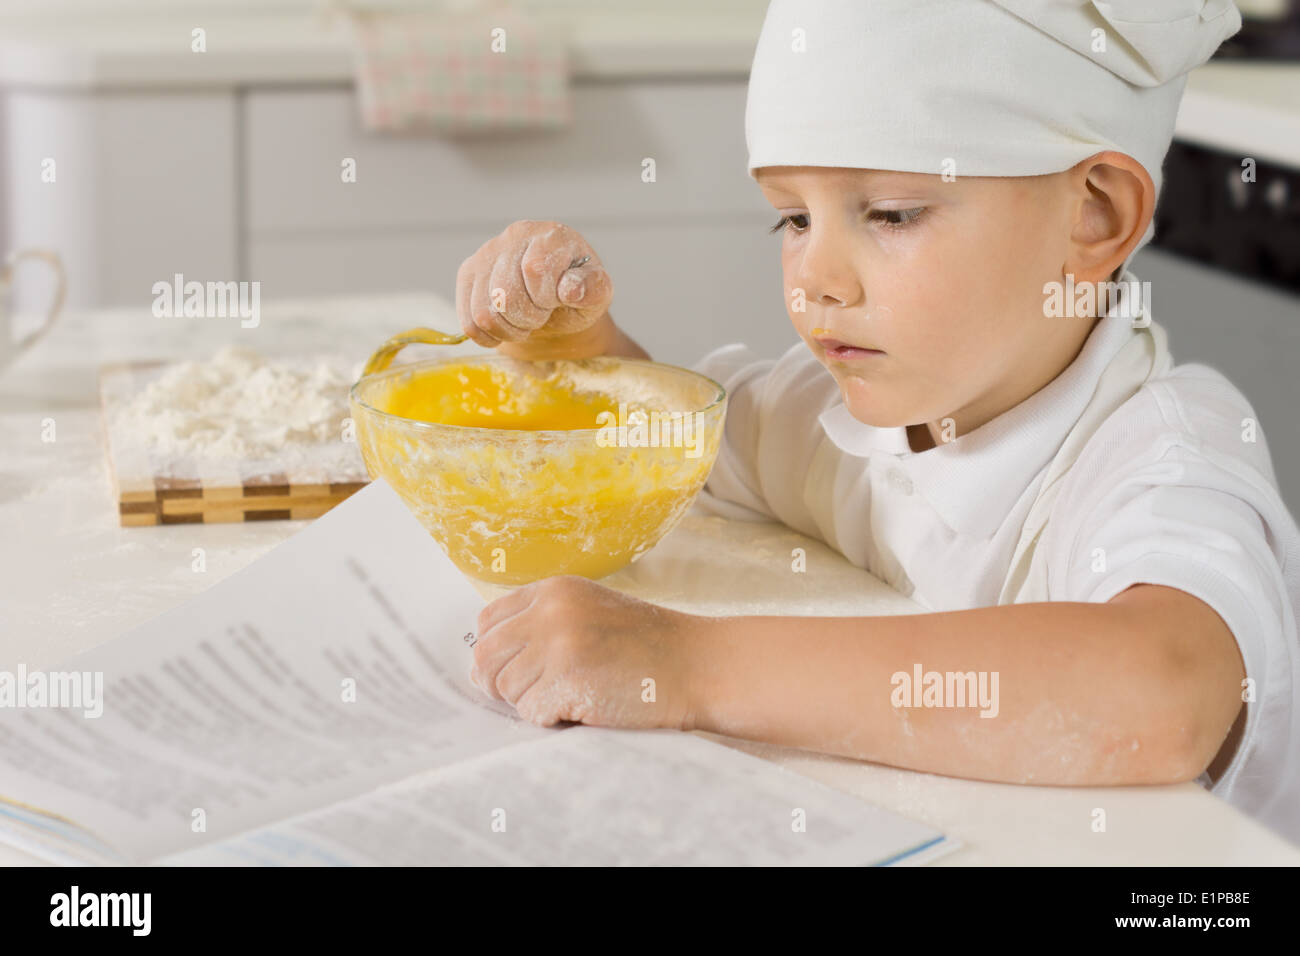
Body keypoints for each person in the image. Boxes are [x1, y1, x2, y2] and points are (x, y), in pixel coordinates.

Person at [454, 0, 1299, 843]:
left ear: (1096, 215)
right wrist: (576, 346)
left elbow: (1158, 689)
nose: (816, 279)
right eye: (793, 218)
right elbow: (675, 444)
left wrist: (686, 666)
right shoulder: (832, 416)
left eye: (891, 213)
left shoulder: (1165, 455)